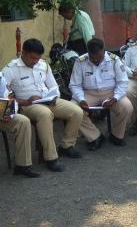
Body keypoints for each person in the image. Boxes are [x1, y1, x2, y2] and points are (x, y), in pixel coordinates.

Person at [2, 39, 84, 172]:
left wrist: (53, 97)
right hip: (28, 105)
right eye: (32, 58)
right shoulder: (11, 69)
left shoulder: (43, 65)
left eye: (38, 58)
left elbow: (54, 86)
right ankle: (51, 158)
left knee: (77, 111)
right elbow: (4, 96)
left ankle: (67, 146)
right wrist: (26, 101)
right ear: (23, 53)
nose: (35, 61)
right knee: (45, 114)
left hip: (47, 100)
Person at [69, 38, 133, 150]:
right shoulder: (80, 61)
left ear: (104, 50)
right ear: (88, 52)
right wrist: (80, 99)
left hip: (111, 92)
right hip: (88, 93)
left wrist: (115, 98)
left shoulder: (114, 60)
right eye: (93, 58)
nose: (96, 61)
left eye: (99, 57)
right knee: (73, 109)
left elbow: (123, 82)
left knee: (127, 107)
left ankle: (116, 135)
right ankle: (95, 136)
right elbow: (75, 85)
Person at [0, 73, 39, 178]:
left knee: (22, 121)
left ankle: (22, 165)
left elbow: (10, 98)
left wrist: (10, 113)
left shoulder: (0, 78)